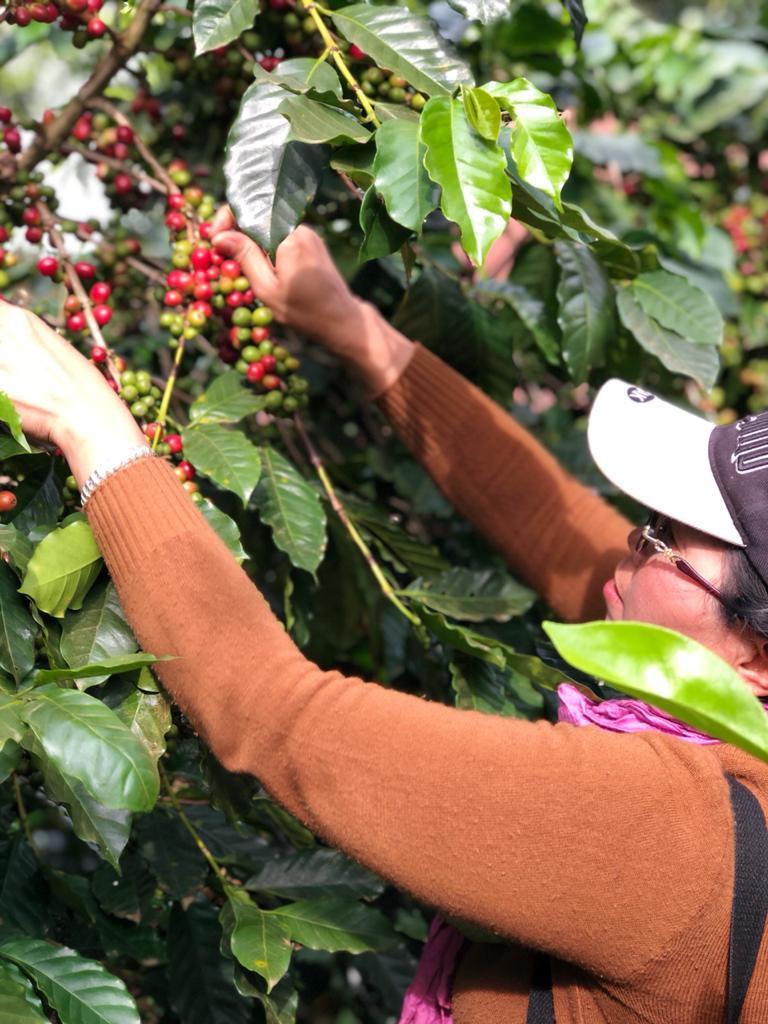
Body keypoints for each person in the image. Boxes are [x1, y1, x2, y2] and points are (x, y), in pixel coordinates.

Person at [1, 216, 768, 1024]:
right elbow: (555, 529)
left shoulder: (674, 841)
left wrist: (90, 427)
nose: (625, 542)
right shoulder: (723, 714)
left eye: (662, 539)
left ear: (756, 657)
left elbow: (274, 711)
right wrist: (355, 329)